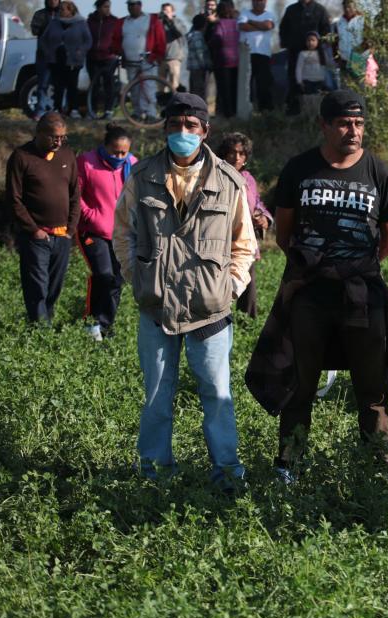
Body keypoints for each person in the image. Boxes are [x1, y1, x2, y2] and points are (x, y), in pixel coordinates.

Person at [245, 90, 388, 484]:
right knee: (300, 384)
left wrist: (352, 267)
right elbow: (284, 235)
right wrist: (317, 267)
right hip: (309, 294)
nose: (353, 131)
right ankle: (289, 464)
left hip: (361, 295)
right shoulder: (300, 169)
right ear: (324, 125)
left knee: (371, 387)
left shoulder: (379, 172)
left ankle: (378, 466)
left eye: (358, 123)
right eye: (343, 123)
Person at [112, 93, 257, 487]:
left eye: (191, 126)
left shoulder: (229, 181)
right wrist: (138, 278)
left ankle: (226, 472)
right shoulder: (142, 177)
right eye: (175, 125)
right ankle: (155, 472)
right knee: (157, 396)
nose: (182, 133)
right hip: (156, 308)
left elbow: (244, 244)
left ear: (205, 131)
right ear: (165, 129)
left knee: (217, 394)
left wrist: (229, 287)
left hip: (210, 312)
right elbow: (122, 233)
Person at [6, 112, 80, 323]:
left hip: (62, 235)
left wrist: (70, 230)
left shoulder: (67, 155)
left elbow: (75, 193)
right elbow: (14, 199)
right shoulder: (21, 157)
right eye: (54, 137)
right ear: (39, 134)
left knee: (55, 285)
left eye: (62, 137)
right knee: (37, 285)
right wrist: (34, 230)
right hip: (36, 236)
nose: (59, 141)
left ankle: (46, 323)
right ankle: (39, 329)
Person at [76, 124, 137, 340]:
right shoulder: (86, 162)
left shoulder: (132, 165)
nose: (119, 156)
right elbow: (76, 194)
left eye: (124, 152)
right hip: (93, 231)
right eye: (115, 151)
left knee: (117, 280)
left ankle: (105, 325)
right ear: (105, 146)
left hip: (121, 233)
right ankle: (91, 320)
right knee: (103, 274)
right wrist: (90, 215)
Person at [217, 132, 273, 318]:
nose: (237, 157)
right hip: (219, 242)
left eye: (242, 154)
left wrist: (263, 218)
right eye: (232, 152)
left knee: (246, 290)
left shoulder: (248, 179)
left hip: (243, 244)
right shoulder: (214, 176)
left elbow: (257, 204)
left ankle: (245, 325)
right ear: (224, 154)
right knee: (216, 291)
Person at [113, 0, 166, 121]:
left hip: (148, 61)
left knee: (149, 86)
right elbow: (115, 40)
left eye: (133, 4)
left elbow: (160, 39)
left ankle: (151, 113)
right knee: (134, 88)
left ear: (140, 5)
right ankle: (137, 112)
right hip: (130, 61)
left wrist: (157, 56)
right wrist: (120, 52)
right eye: (129, 5)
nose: (131, 7)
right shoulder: (123, 22)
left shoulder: (152, 20)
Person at [41, 0, 91, 118]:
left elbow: (88, 41)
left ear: (71, 10)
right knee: (58, 86)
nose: (61, 11)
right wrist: (47, 51)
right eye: (60, 9)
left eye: (63, 9)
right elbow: (44, 39)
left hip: (73, 60)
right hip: (56, 59)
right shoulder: (54, 23)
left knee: (72, 85)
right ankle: (57, 108)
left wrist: (81, 51)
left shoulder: (81, 23)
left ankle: (73, 109)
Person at [279, 0, 330, 115]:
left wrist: (319, 45)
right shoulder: (291, 10)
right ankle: (294, 109)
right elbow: (283, 29)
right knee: (295, 80)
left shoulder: (320, 10)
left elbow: (326, 31)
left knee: (318, 86)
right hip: (295, 52)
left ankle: (318, 112)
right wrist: (288, 43)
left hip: (316, 55)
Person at [238, 0, 275, 112]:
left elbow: (268, 26)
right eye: (256, 1)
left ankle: (264, 110)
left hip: (263, 54)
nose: (259, 3)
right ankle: (246, 110)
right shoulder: (244, 13)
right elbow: (242, 26)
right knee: (246, 84)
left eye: (262, 1)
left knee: (263, 83)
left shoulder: (269, 14)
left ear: (266, 2)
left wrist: (250, 21)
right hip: (247, 53)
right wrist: (260, 26)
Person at [86, 0, 120, 119]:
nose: (108, 10)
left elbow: (119, 38)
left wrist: (117, 51)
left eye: (109, 7)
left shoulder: (114, 21)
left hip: (109, 58)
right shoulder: (90, 20)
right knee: (94, 85)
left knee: (108, 84)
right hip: (92, 57)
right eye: (105, 7)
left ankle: (108, 110)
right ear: (99, 7)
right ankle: (92, 110)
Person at [208, 0, 239, 118]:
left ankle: (228, 114)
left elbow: (217, 38)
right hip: (236, 60)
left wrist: (210, 43)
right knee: (234, 88)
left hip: (223, 60)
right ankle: (235, 112)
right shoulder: (237, 23)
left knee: (224, 89)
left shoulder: (220, 24)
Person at [30, 0, 61, 120]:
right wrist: (49, 24)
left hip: (60, 56)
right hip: (44, 55)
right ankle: (40, 111)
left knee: (59, 85)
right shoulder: (40, 14)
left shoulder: (63, 13)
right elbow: (34, 30)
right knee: (42, 84)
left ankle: (59, 110)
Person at [159, 3, 186, 92]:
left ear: (173, 12)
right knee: (160, 86)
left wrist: (171, 21)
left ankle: (175, 104)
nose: (165, 13)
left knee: (174, 86)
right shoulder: (159, 23)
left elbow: (181, 32)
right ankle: (162, 104)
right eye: (164, 10)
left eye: (168, 11)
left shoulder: (178, 21)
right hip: (161, 59)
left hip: (174, 58)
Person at [186, 14, 212, 103]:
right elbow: (200, 53)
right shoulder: (198, 37)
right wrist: (207, 65)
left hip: (193, 68)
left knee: (194, 91)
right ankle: (199, 112)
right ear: (204, 25)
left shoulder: (191, 35)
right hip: (199, 69)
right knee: (200, 91)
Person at [336, 0, 364, 73]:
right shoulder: (339, 22)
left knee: (357, 83)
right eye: (345, 7)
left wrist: (363, 55)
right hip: (343, 60)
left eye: (349, 7)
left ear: (355, 8)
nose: (347, 9)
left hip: (358, 59)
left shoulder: (362, 21)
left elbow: (369, 40)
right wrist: (337, 57)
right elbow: (335, 40)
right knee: (344, 83)